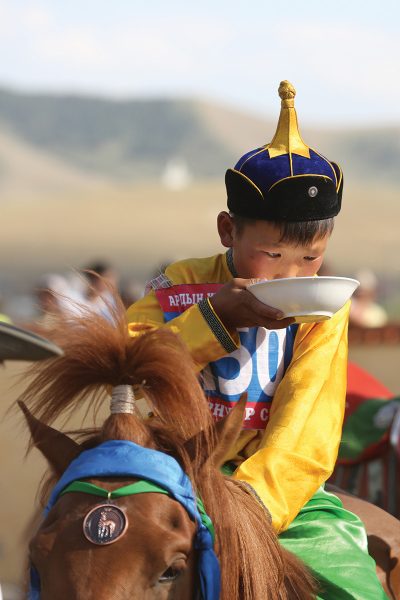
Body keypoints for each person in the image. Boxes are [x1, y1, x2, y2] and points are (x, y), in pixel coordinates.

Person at [126, 81, 387, 599]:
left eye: (310, 259)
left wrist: (250, 504)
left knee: (356, 587)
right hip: (166, 475)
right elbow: (129, 361)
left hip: (276, 493)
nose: (292, 272)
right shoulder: (181, 283)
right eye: (270, 256)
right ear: (228, 230)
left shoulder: (323, 308)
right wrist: (213, 315)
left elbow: (307, 425)